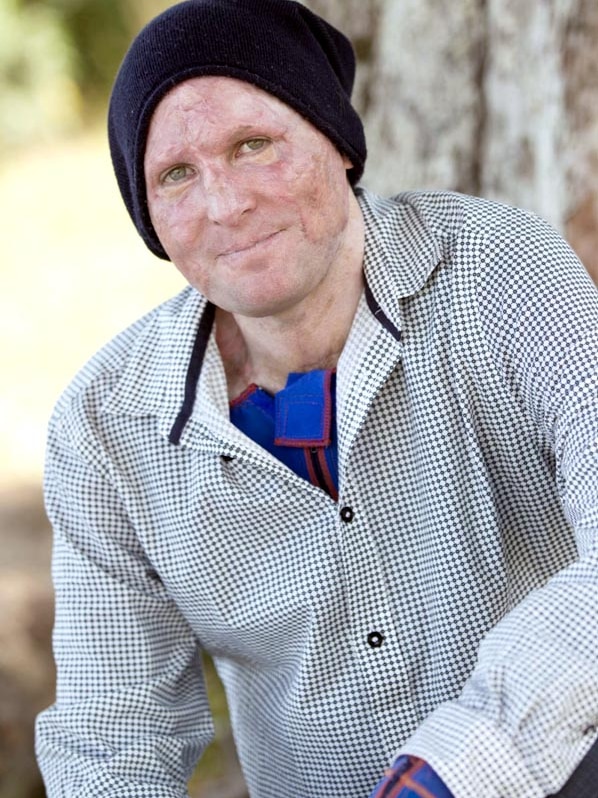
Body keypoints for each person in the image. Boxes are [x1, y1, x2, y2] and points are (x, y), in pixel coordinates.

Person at [35, 1, 598, 796]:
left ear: (337, 142)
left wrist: (456, 771)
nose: (225, 205)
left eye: (254, 146)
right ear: (150, 216)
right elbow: (112, 741)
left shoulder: (497, 270)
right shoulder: (103, 429)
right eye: (176, 175)